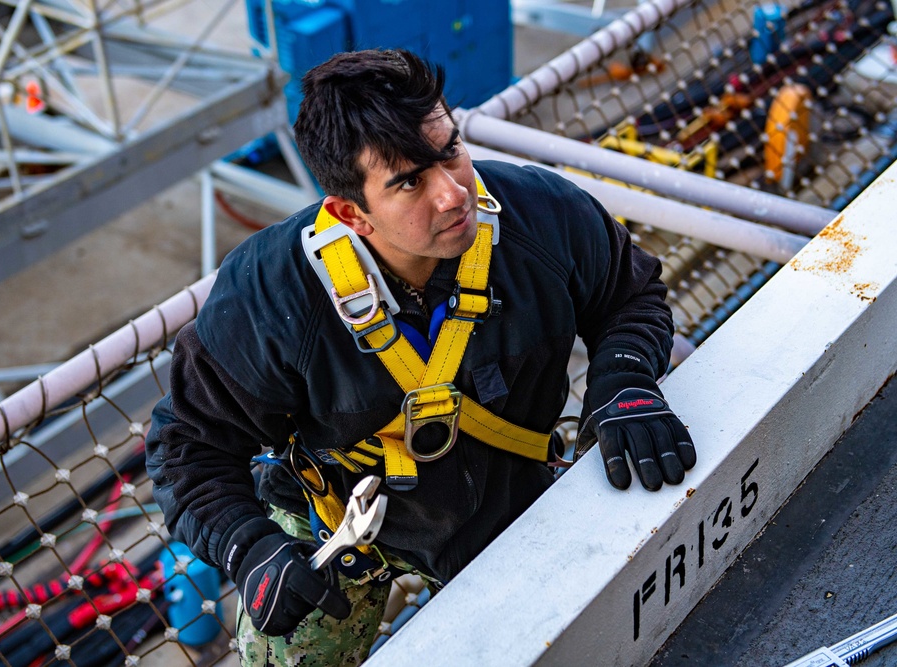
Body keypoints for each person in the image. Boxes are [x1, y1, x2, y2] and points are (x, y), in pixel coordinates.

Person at [145, 48, 696, 666]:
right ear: (349, 213)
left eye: (450, 150)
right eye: (410, 181)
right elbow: (188, 445)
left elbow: (628, 294)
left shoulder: (539, 214)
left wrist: (624, 382)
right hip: (331, 527)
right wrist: (249, 549)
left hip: (506, 498)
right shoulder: (270, 298)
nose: (455, 192)